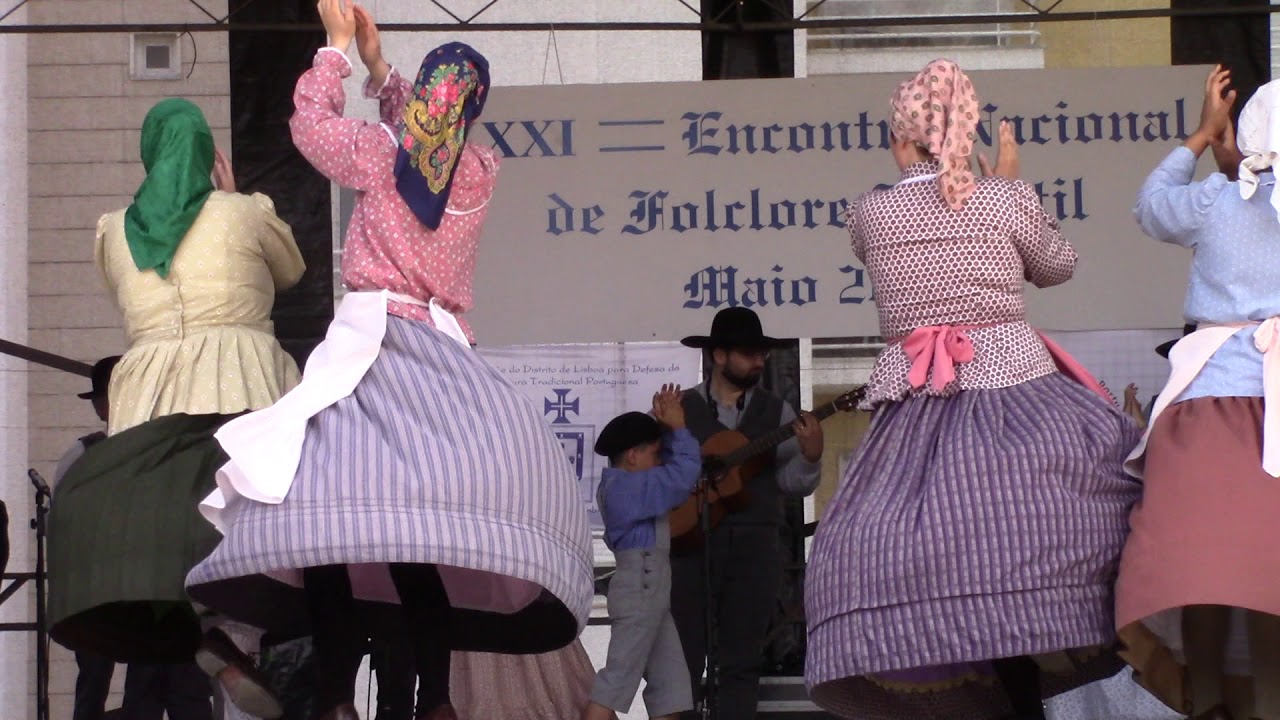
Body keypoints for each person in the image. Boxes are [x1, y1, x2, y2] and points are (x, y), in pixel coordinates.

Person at [184, 3, 594, 720]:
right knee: (417, 545)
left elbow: (310, 127)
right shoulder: (476, 172)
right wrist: (385, 71)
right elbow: (430, 136)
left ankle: (334, 696)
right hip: (442, 359)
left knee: (326, 527)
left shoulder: (381, 156)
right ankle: (434, 701)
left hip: (371, 355)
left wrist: (338, 53)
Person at [803, 58, 1142, 720]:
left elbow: (900, 236)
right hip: (1017, 388)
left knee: (894, 537)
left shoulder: (870, 213)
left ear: (901, 140)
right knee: (1105, 492)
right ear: (968, 132)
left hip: (917, 406)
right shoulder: (1001, 198)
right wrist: (1012, 187)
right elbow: (1057, 266)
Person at [47, 95, 305, 720]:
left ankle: (193, 629)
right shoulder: (242, 215)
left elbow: (128, 295)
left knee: (165, 527)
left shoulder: (113, 230)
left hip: (149, 394)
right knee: (272, 522)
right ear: (201, 151)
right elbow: (292, 270)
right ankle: (268, 648)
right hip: (241, 381)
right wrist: (242, 197)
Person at [1116, 65, 1280, 720]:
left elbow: (1150, 205)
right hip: (1273, 415)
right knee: (1267, 577)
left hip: (1206, 409)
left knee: (1203, 576)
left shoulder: (1216, 199)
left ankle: (1206, 705)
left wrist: (1201, 136)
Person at [670, 306, 824, 719]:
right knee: (681, 660)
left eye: (763, 354)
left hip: (756, 545)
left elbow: (793, 483)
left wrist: (810, 457)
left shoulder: (779, 413)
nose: (760, 361)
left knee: (742, 659)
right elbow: (657, 477)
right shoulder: (678, 409)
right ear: (719, 356)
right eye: (749, 353)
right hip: (690, 548)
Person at [585, 389, 703, 720]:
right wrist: (678, 429)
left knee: (671, 690)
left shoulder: (625, 485)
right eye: (654, 454)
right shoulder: (627, 488)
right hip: (641, 592)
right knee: (615, 683)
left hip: (650, 594)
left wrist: (659, 418)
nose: (659, 461)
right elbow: (683, 475)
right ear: (633, 456)